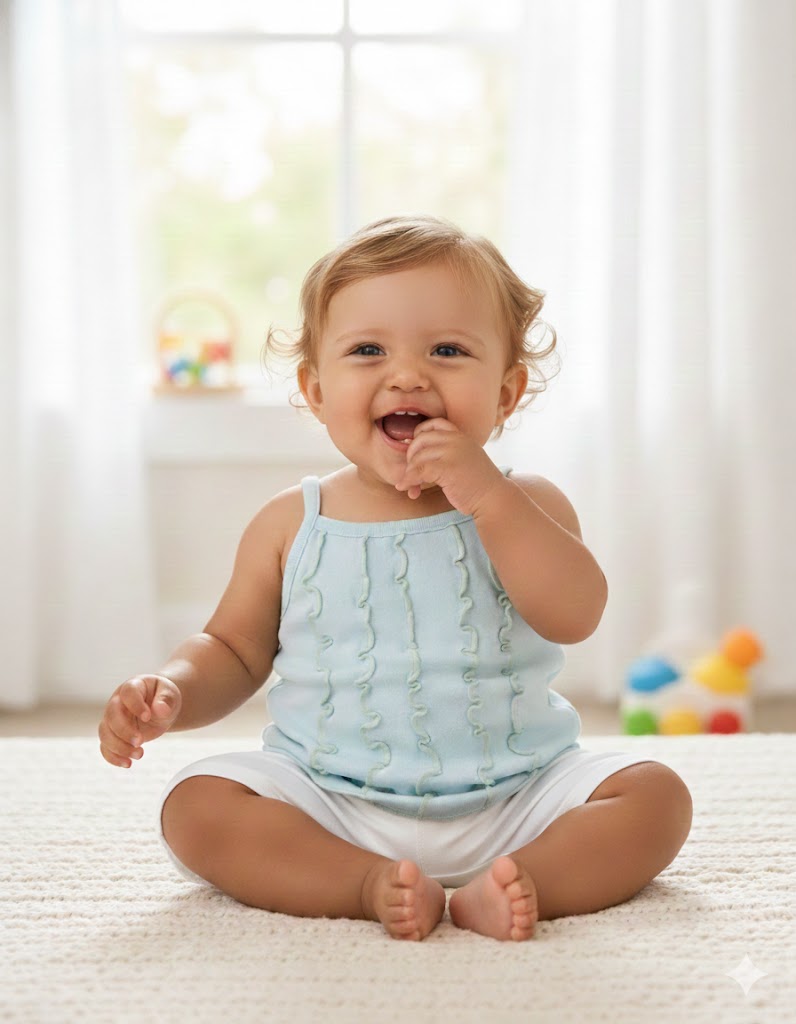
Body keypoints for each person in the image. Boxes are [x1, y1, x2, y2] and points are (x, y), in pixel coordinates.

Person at [98, 215, 693, 942]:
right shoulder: (294, 522)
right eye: (367, 350)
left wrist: (488, 497)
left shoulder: (525, 503)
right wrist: (173, 691)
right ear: (316, 391)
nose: (406, 375)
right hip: (333, 804)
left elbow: (577, 613)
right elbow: (232, 648)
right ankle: (362, 883)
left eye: (447, 350)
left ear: (507, 392)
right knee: (195, 805)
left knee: (656, 796)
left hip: (517, 796)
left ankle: (521, 880)